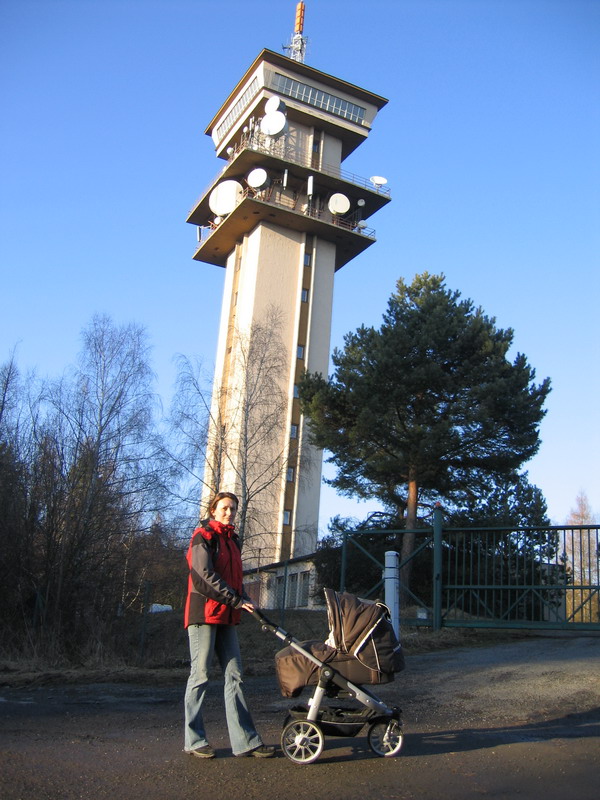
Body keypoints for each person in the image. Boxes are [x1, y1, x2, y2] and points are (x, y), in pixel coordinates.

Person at [183, 490, 275, 759]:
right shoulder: (204, 536)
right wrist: (235, 598)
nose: (229, 512)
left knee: (235, 674)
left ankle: (246, 741)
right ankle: (194, 739)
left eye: (233, 508)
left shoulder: (232, 540)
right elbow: (203, 575)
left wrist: (243, 597)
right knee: (200, 675)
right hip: (204, 614)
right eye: (224, 508)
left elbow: (234, 578)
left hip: (226, 613)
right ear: (214, 510)